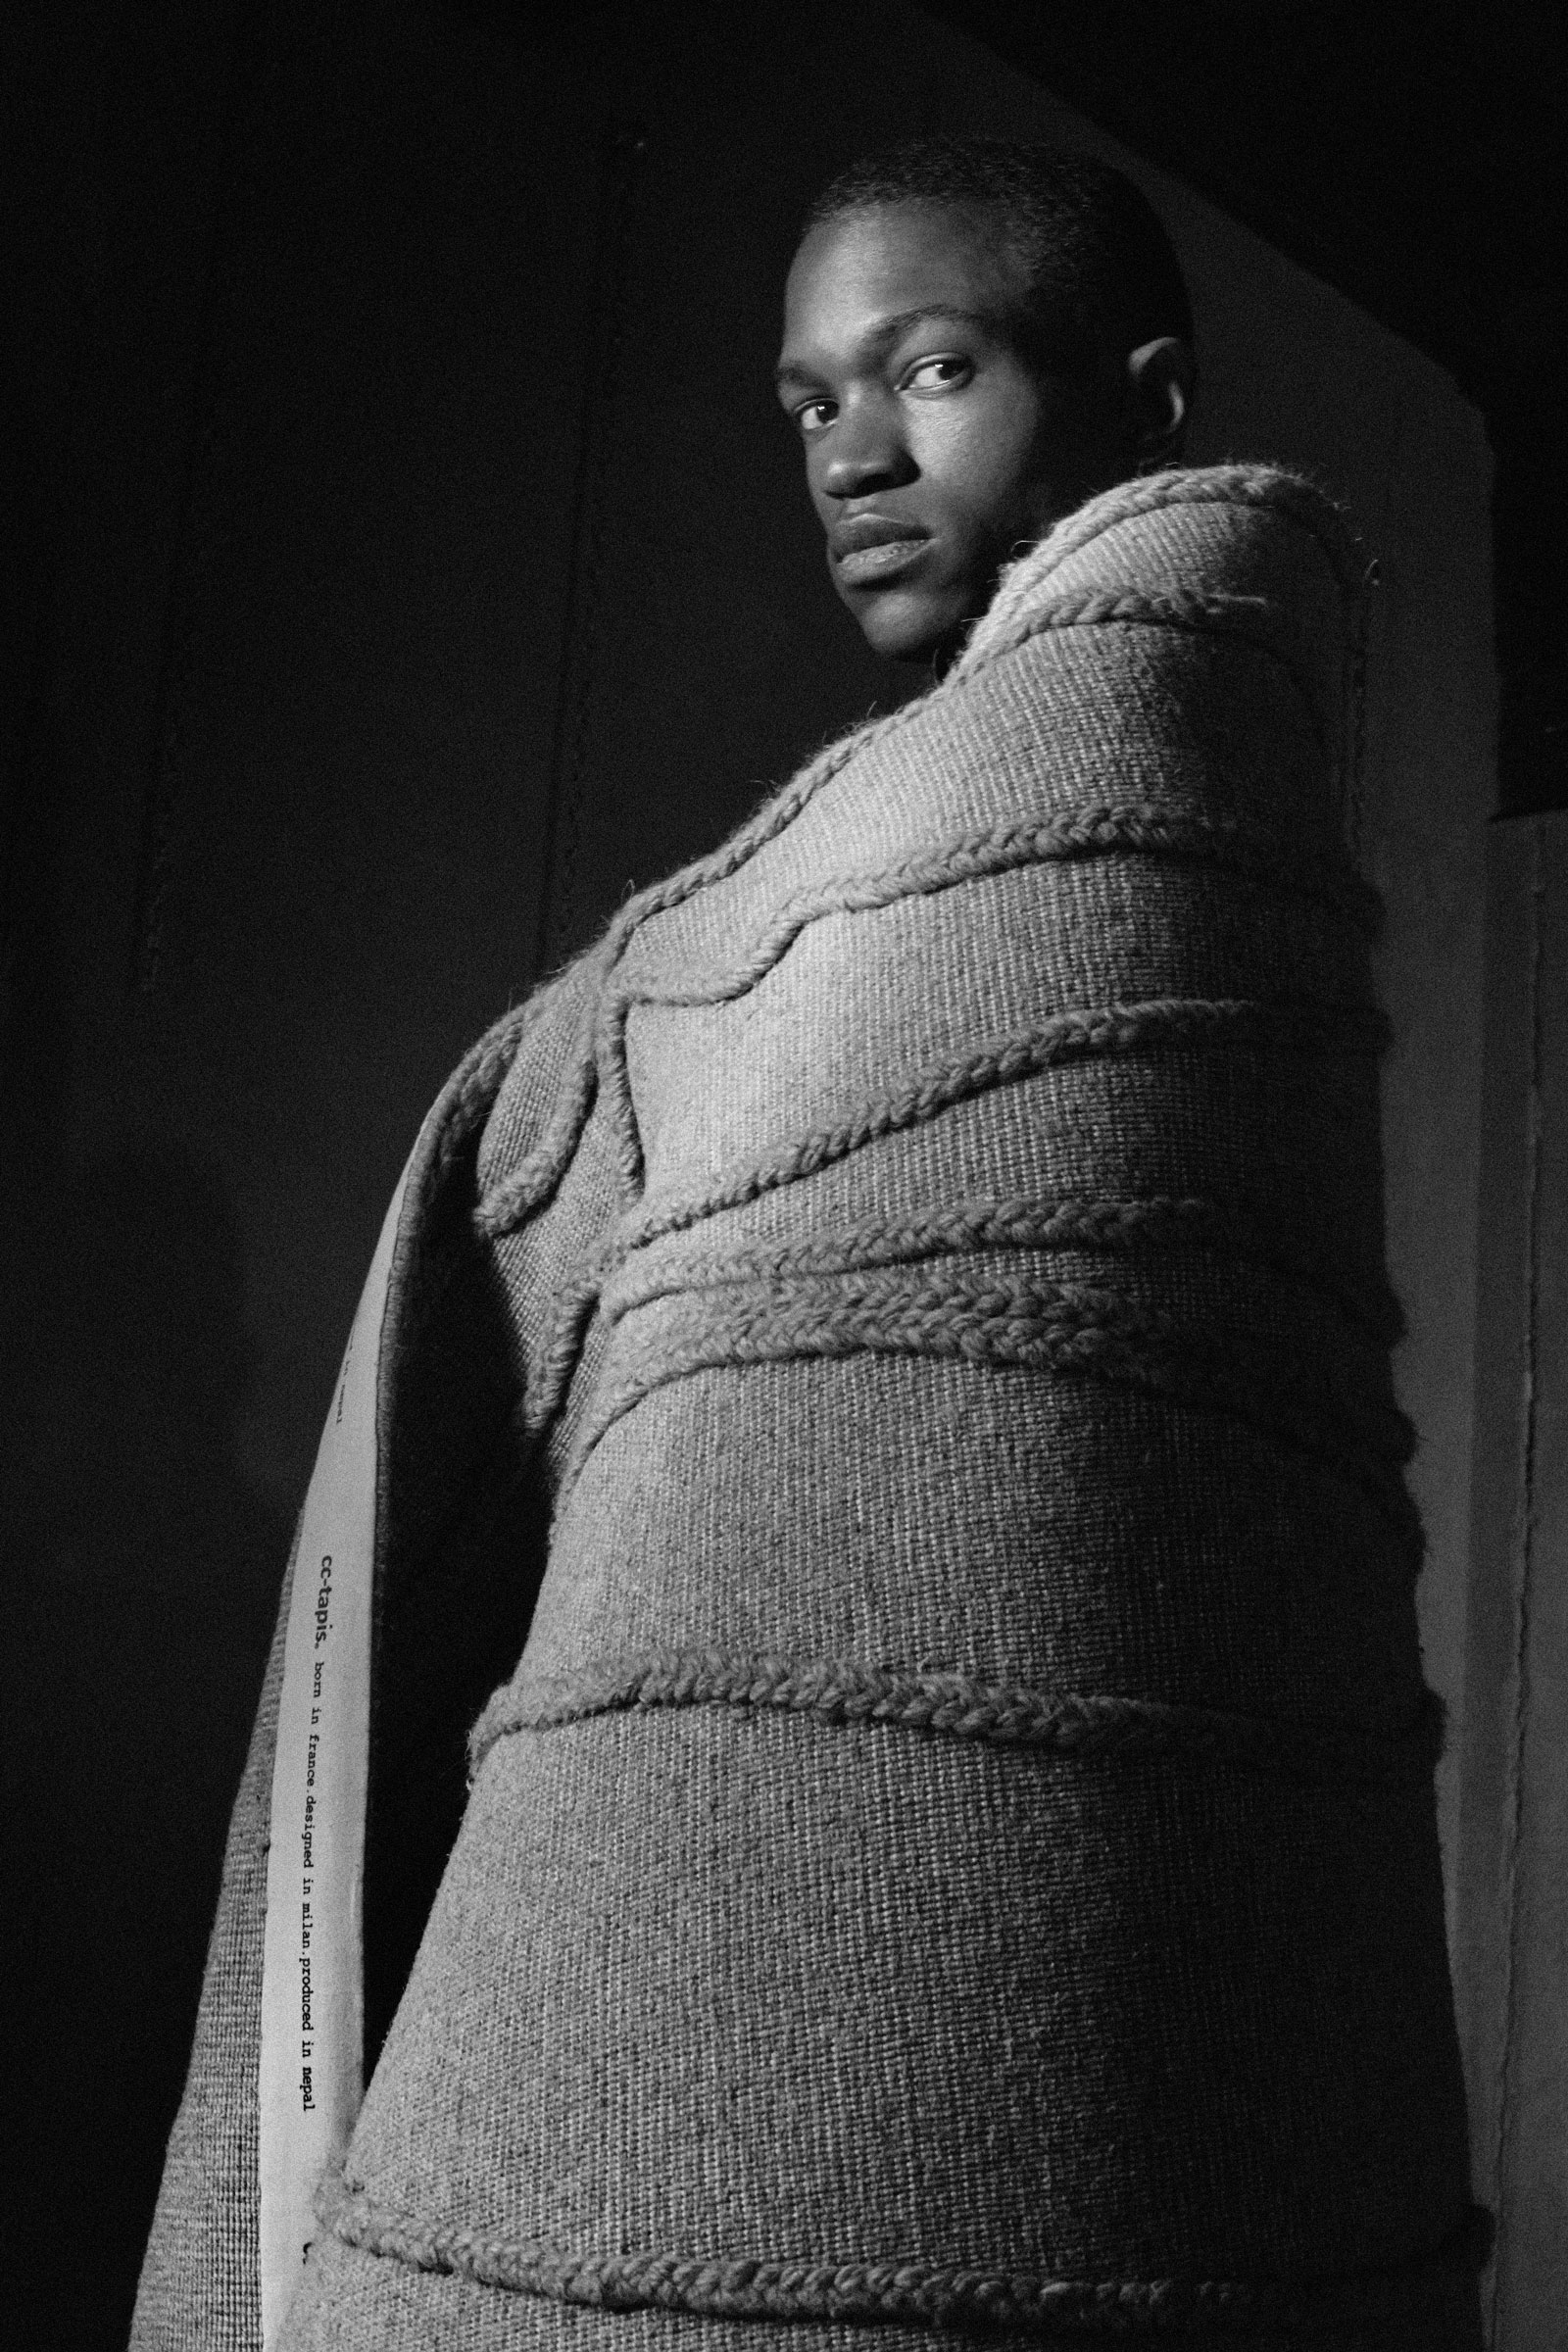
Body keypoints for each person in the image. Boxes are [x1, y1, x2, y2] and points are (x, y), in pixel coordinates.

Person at [133, 141, 1485, 2351]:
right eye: (806, 402)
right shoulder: (791, 901)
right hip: (653, 1977)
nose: (851, 454)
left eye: (930, 370)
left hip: (1110, 2016)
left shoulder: (1169, 768)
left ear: (1146, 399)